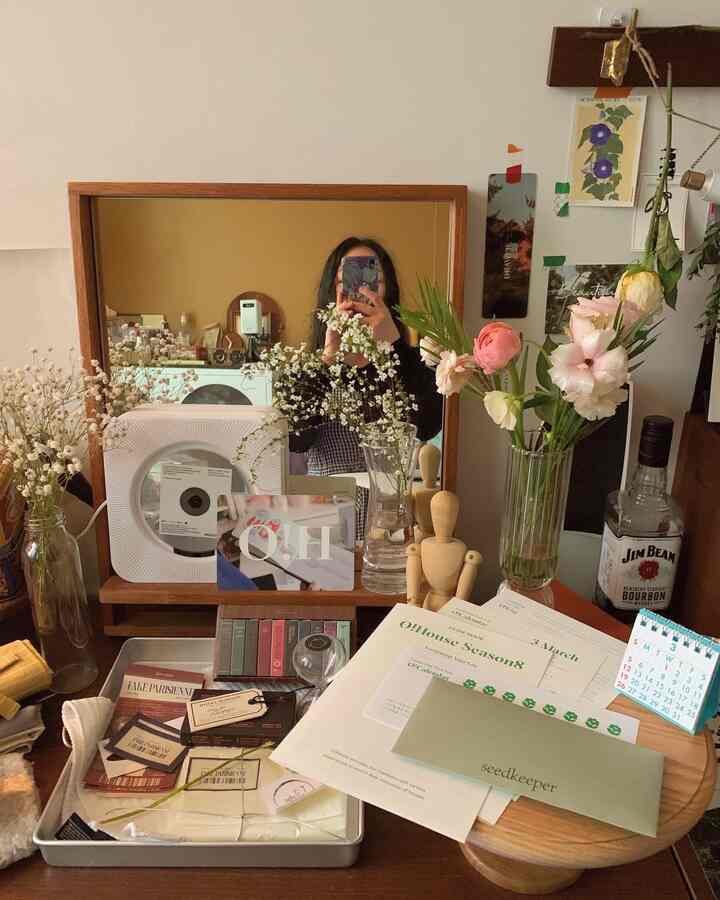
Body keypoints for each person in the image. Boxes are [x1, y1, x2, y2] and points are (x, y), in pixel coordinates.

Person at [290, 237, 443, 536]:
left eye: (373, 280)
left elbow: (427, 426)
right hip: (325, 521)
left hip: (390, 519)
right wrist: (327, 360)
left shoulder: (412, 360)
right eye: (345, 280)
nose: (360, 290)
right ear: (331, 293)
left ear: (388, 291)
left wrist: (394, 349)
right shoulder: (309, 366)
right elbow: (295, 441)